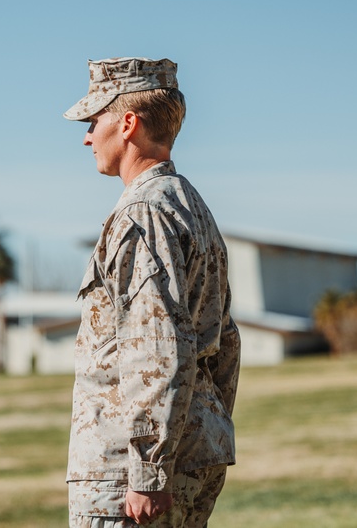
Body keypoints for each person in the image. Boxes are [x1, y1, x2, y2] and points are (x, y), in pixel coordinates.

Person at [62, 57, 241, 527]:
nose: (86, 136)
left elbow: (158, 344)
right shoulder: (188, 203)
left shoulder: (144, 213)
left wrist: (147, 471)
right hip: (192, 449)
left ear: (127, 123)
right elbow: (226, 342)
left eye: (93, 120)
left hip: (127, 472)